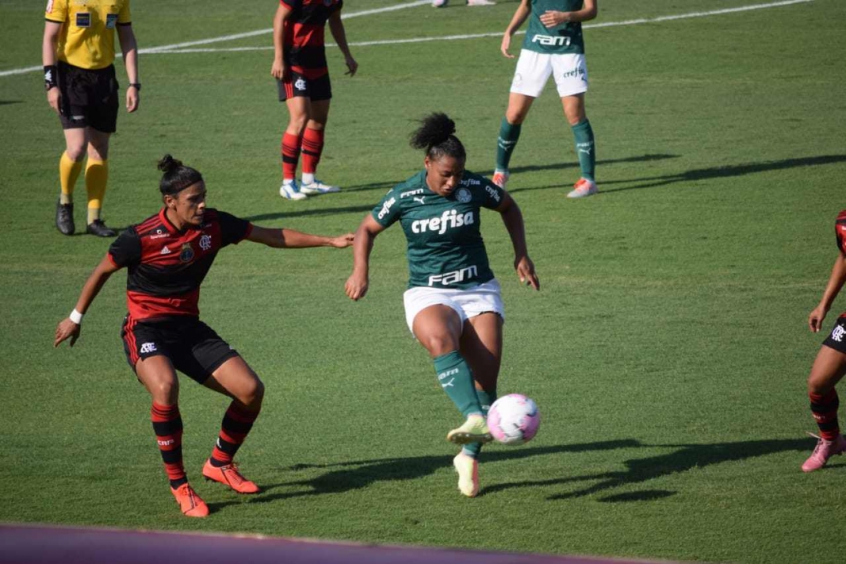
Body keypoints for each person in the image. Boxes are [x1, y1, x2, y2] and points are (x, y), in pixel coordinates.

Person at [54, 155, 354, 517]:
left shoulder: (214, 225)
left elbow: (271, 235)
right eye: (193, 200)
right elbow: (102, 270)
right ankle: (180, 485)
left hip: (189, 330)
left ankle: (219, 463)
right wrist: (75, 317)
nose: (202, 205)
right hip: (146, 330)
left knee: (250, 391)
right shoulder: (140, 237)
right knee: (165, 388)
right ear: (171, 202)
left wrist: (330, 241)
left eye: (204, 196)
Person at [345, 113, 539, 497]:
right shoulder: (405, 195)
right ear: (427, 164)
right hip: (428, 291)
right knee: (440, 338)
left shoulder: (473, 187)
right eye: (445, 174)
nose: (452, 182)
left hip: (478, 288)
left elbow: (509, 207)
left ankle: (467, 455)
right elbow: (367, 228)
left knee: (486, 381)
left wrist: (521, 255)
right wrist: (360, 272)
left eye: (458, 174)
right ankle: (474, 418)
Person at [43, 0, 141, 237]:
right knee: (77, 148)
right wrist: (51, 83)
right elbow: (50, 38)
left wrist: (134, 83)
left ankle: (94, 218)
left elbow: (126, 37)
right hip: (71, 77)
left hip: (104, 79)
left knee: (99, 149)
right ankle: (65, 202)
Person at [493, 0, 598, 199]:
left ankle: (588, 180)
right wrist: (509, 32)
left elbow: (591, 10)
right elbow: (526, 5)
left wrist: (566, 16)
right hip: (534, 49)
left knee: (575, 115)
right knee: (514, 114)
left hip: (569, 50)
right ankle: (500, 173)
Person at [271, 0, 358, 200]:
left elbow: (335, 21)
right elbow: (279, 19)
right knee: (300, 117)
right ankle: (287, 183)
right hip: (293, 61)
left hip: (317, 61)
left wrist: (347, 55)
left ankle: (309, 180)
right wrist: (278, 57)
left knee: (318, 120)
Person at [802, 210, 846, 472]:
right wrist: (824, 305)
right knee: (818, 383)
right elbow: (844, 258)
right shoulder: (844, 223)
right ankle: (831, 440)